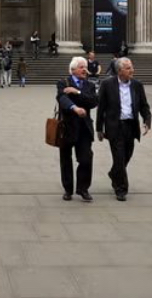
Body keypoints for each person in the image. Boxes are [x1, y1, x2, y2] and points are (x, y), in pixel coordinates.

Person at [95, 58, 152, 201]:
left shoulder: (137, 85)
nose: (132, 70)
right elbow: (100, 108)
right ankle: (121, 188)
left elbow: (144, 106)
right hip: (115, 126)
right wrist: (99, 128)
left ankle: (114, 173)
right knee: (119, 157)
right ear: (119, 71)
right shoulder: (107, 84)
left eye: (132, 67)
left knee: (127, 155)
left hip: (131, 126)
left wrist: (147, 121)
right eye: (128, 68)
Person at [56, 56, 99, 201]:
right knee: (66, 159)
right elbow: (62, 98)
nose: (85, 70)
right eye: (81, 67)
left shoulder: (90, 85)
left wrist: (77, 92)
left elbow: (93, 101)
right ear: (73, 69)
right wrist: (74, 108)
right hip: (67, 127)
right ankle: (68, 190)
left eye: (85, 66)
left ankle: (83, 188)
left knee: (86, 159)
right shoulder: (63, 82)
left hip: (84, 128)